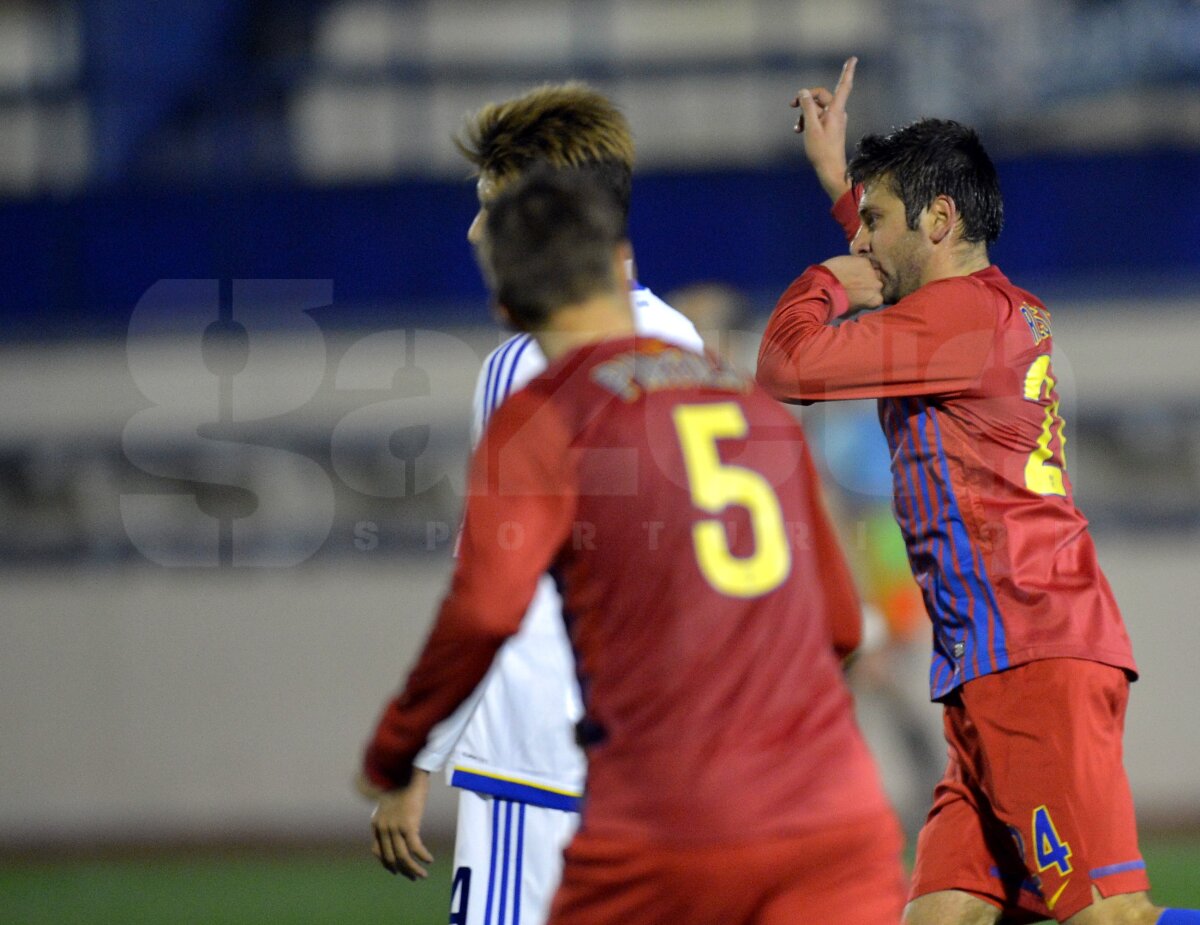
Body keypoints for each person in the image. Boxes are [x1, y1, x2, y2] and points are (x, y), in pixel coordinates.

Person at [361, 167, 905, 925]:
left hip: (670, 822)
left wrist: (396, 747)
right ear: (618, 261)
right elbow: (841, 627)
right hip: (831, 816)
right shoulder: (753, 406)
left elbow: (485, 611)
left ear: (505, 303)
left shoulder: (545, 416)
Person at [756, 57, 1200, 925]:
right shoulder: (979, 310)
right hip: (995, 667)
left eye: (874, 221)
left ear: (940, 218)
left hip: (1030, 659)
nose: (860, 241)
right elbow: (900, 270)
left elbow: (787, 363)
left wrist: (824, 282)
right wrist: (839, 182)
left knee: (1113, 918)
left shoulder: (953, 320)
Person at [355, 83, 703, 925]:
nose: (475, 232)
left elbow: (491, 587)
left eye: (489, 209)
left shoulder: (526, 366)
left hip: (538, 762)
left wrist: (415, 757)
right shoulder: (687, 349)